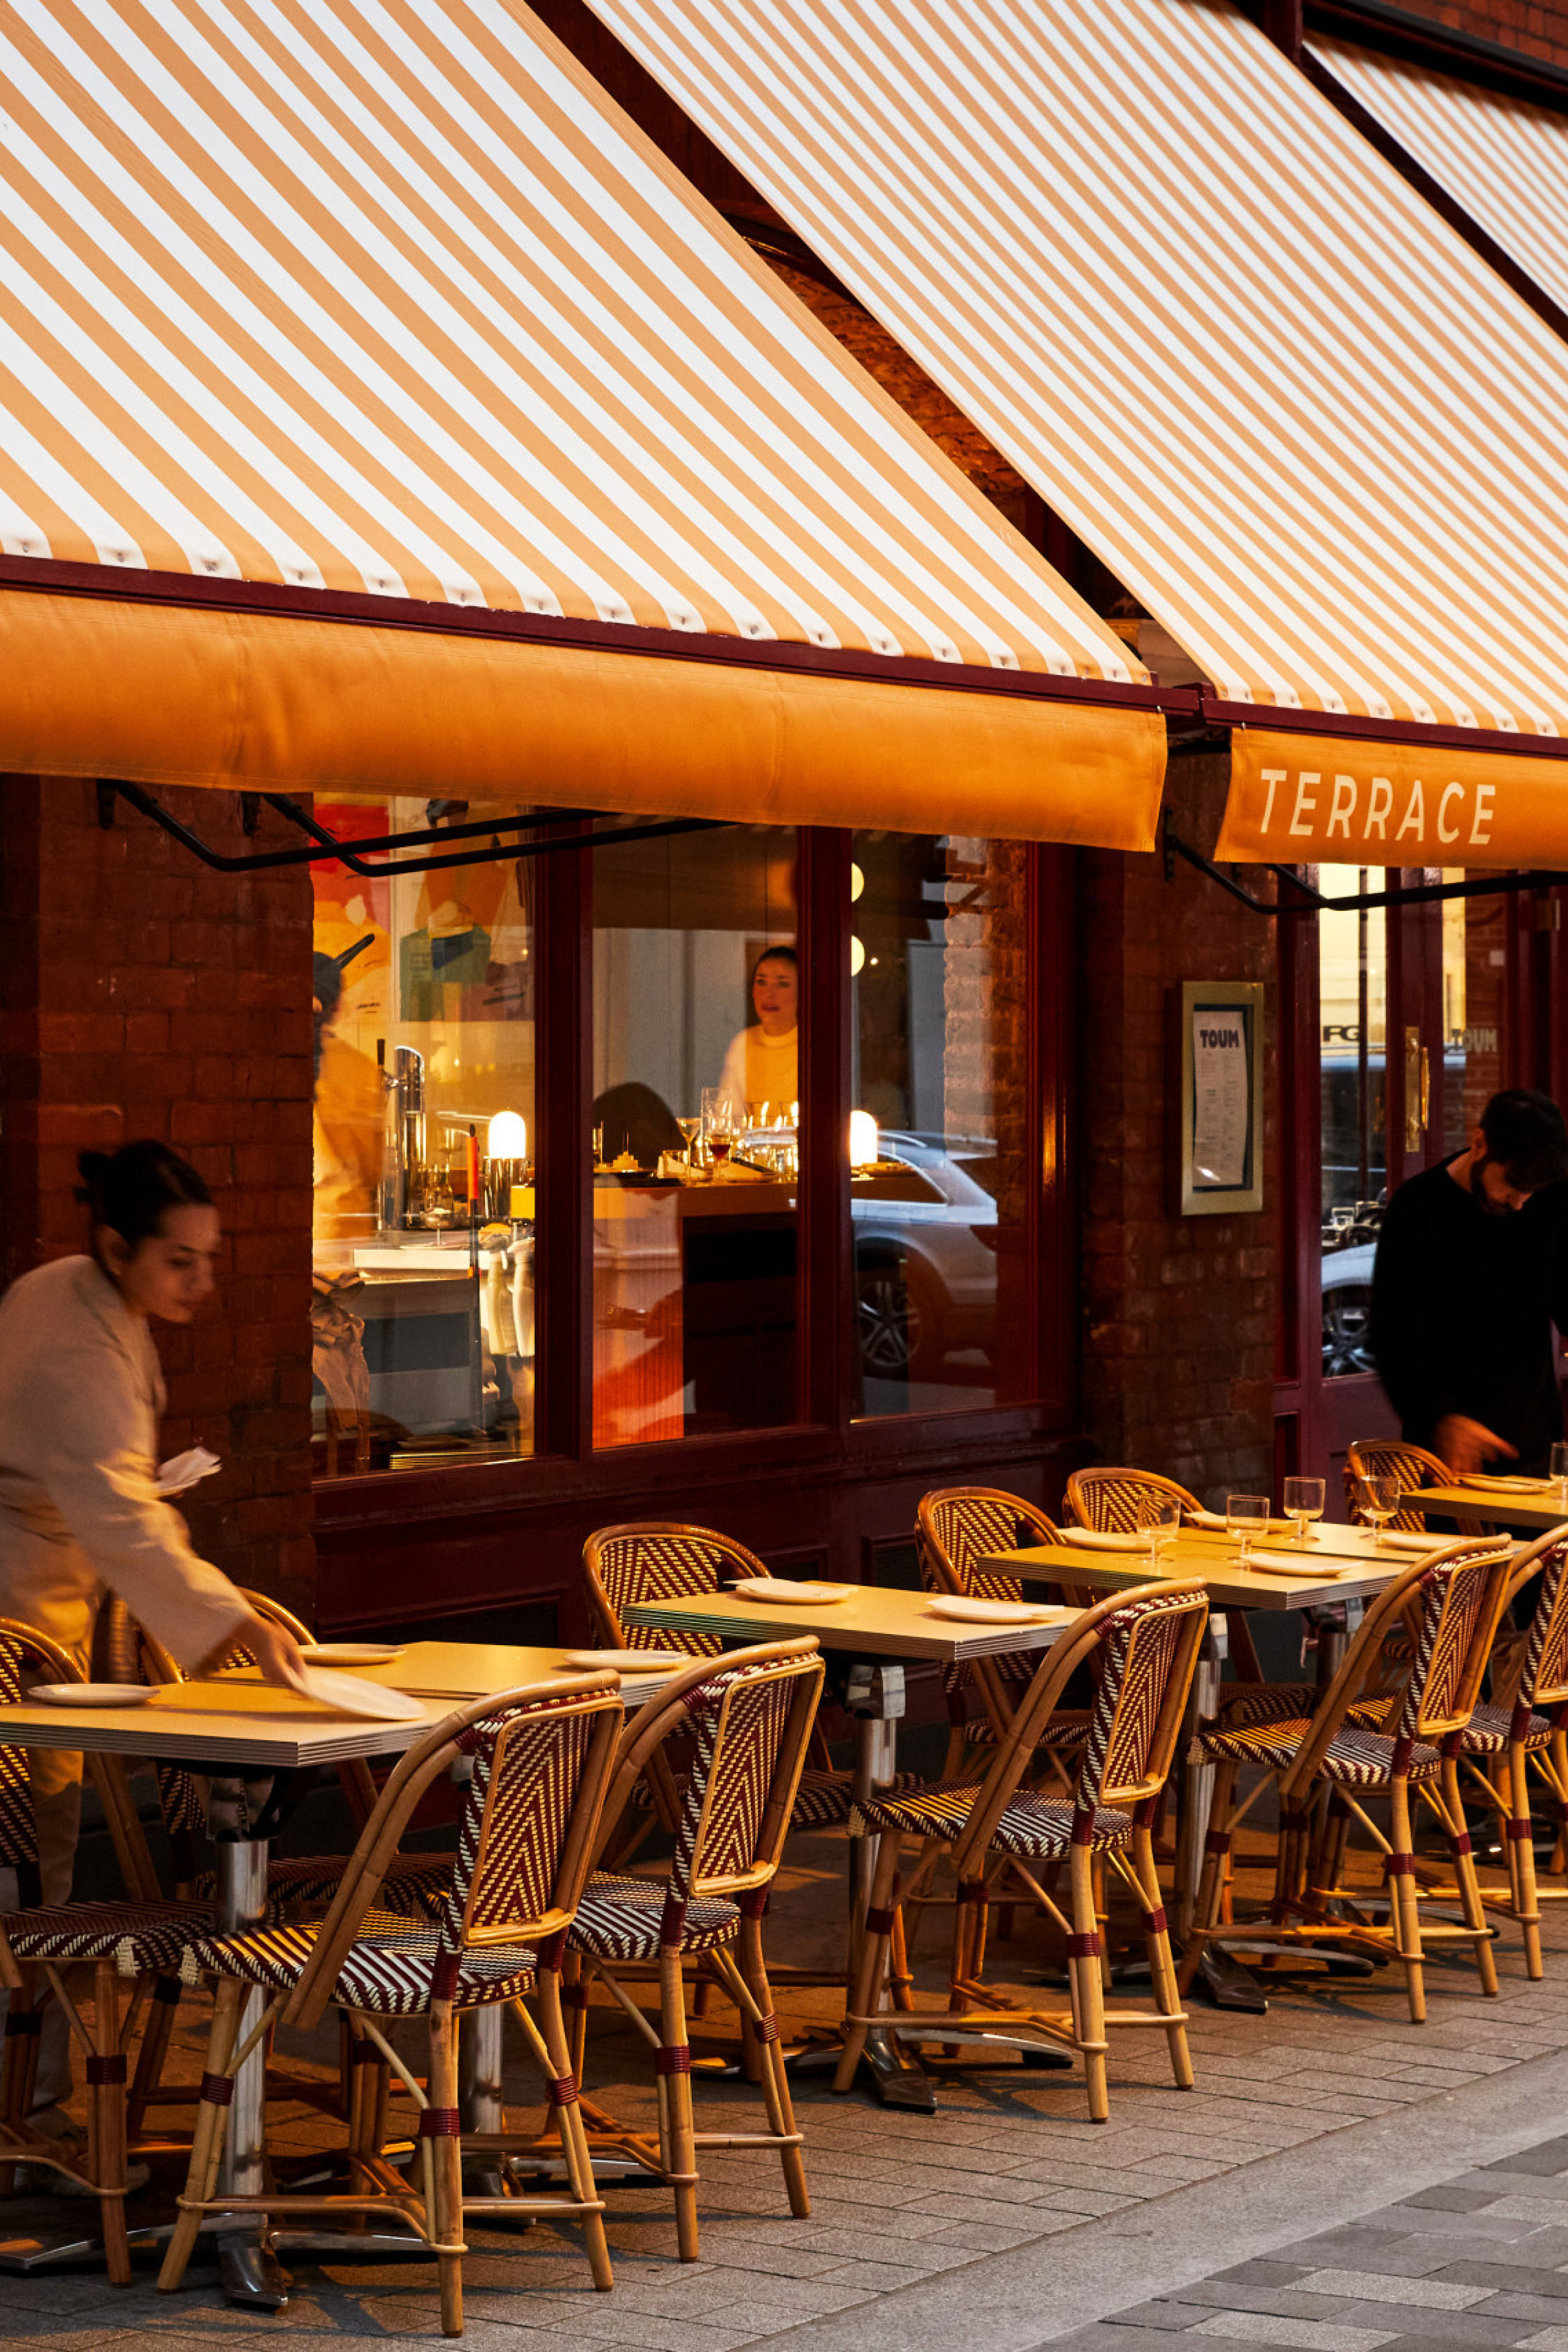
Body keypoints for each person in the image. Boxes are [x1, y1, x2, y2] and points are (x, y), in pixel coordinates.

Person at [0, 1142, 309, 2143]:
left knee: (39, 1843)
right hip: (15, 1600)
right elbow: (120, 1519)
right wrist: (235, 1623)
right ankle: (24, 2105)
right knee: (20, 1851)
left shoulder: (90, 1298)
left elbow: (115, 1497)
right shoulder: (73, 1342)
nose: (202, 1280)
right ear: (115, 1246)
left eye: (208, 1258)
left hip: (52, 1584)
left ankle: (29, 2094)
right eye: (181, 1260)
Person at [1369, 1088, 1568, 1476]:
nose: (1520, 1202)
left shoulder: (1552, 1199)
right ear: (1480, 1144)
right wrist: (1444, 1418)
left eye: (1532, 1192)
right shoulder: (1418, 1209)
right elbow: (1391, 1339)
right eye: (1512, 1185)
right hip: (1444, 1457)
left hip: (1534, 1446)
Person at [717, 945, 799, 1115]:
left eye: (782, 984)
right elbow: (728, 1117)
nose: (769, 994)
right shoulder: (743, 1043)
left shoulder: (815, 1044)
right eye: (761, 982)